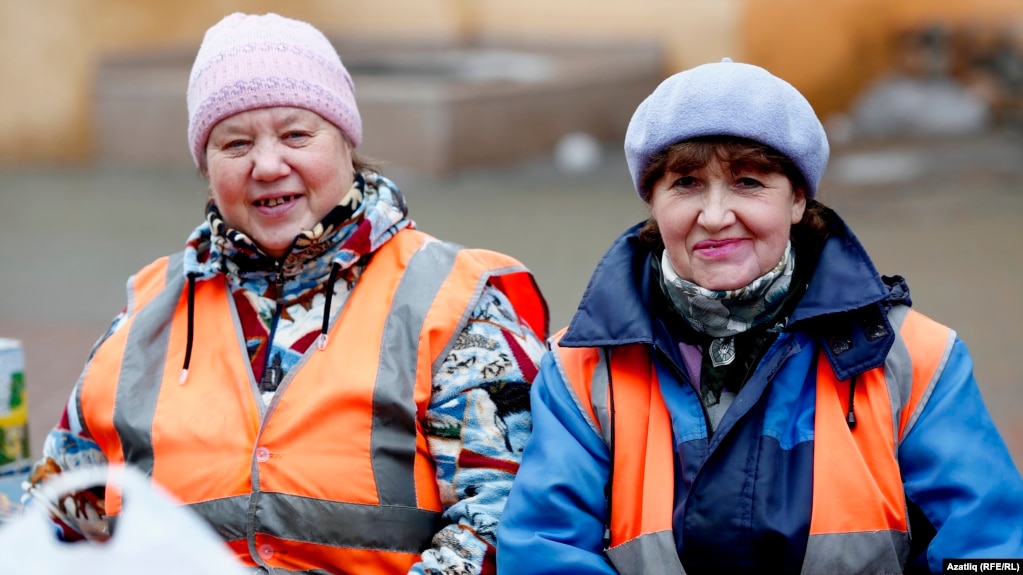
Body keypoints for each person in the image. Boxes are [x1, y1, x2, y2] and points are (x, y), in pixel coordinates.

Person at [26, 12, 549, 575]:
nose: (268, 165)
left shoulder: (453, 301)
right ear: (206, 165)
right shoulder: (146, 315)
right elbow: (56, 519)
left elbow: (501, 520)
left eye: (297, 134)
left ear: (346, 139)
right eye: (235, 143)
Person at [496, 59, 1023, 574]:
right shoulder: (581, 369)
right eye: (686, 183)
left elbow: (991, 553)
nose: (717, 215)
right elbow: (543, 551)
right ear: (652, 202)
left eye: (748, 181)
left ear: (797, 199)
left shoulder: (914, 358)